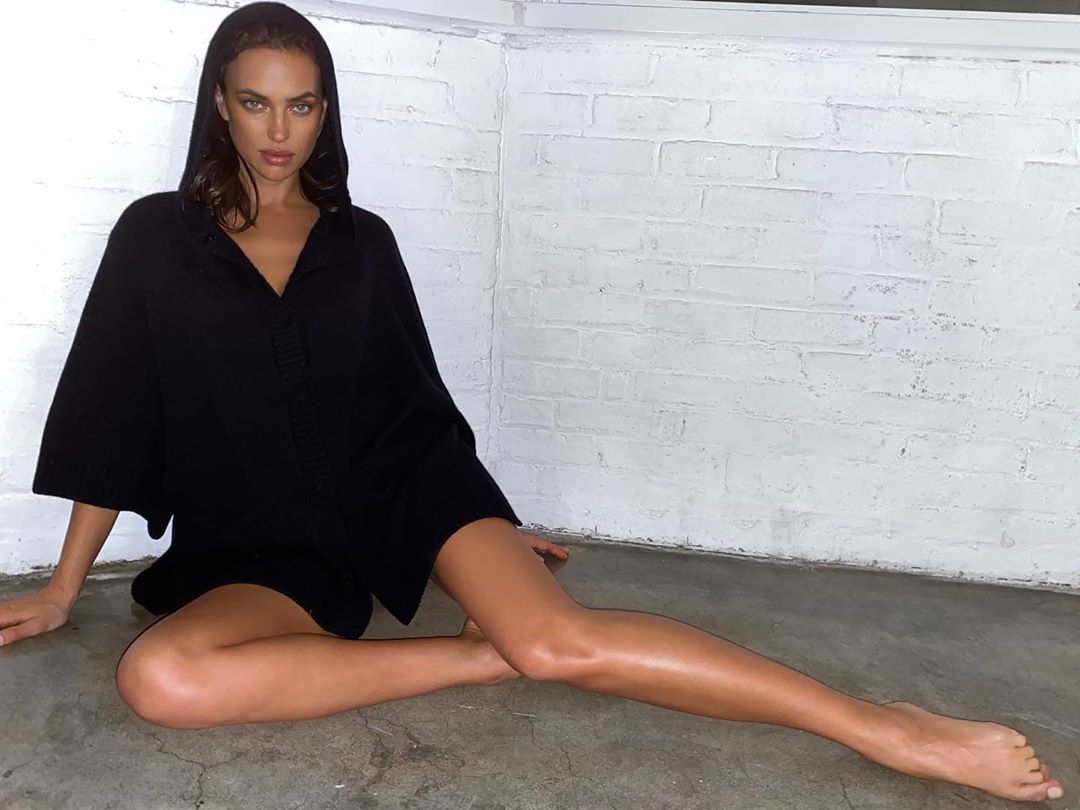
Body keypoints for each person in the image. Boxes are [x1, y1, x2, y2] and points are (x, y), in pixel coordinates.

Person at [0, 2, 1064, 803]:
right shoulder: (156, 238)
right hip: (262, 544)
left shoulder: (364, 244)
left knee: (559, 643)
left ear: (327, 111)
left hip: (403, 489)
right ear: (218, 104)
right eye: (255, 101)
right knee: (162, 681)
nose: (280, 130)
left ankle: (887, 726)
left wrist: (491, 528)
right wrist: (61, 589)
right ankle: (474, 656)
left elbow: (416, 403)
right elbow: (112, 407)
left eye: (302, 103)